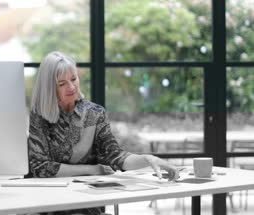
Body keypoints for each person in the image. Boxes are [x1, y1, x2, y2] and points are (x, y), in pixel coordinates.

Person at [27, 51, 179, 215]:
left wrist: (148, 159)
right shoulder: (40, 115)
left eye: (74, 79)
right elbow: (40, 168)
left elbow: (114, 155)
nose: (71, 87)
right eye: (62, 83)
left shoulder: (95, 113)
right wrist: (92, 169)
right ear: (50, 87)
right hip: (49, 201)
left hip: (86, 201)